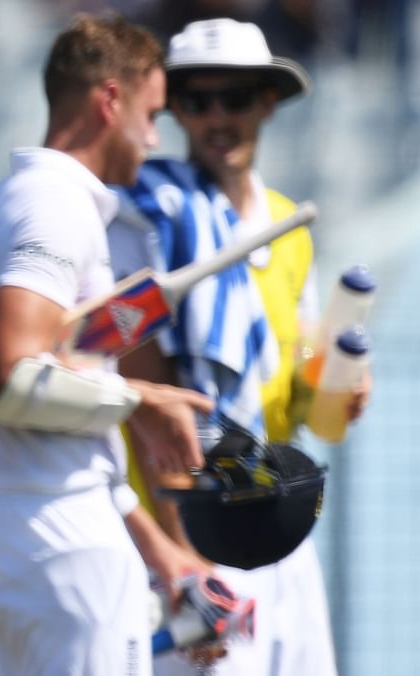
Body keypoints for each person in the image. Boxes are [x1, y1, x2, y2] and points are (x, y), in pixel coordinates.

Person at [0, 13, 218, 676]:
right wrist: (140, 402)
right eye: (151, 114)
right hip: (60, 546)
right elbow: (12, 372)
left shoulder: (29, 199)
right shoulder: (54, 204)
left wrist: (163, 555)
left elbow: (60, 418)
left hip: (40, 528)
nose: (155, 138)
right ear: (110, 101)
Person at [108, 18, 369, 676]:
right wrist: (183, 564)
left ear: (268, 103)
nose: (217, 117)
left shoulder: (289, 227)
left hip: (280, 528)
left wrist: (341, 392)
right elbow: (148, 400)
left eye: (237, 98)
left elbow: (302, 402)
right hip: (197, 529)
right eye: (198, 99)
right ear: (175, 108)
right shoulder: (142, 218)